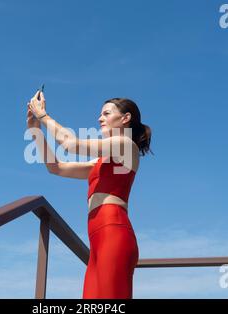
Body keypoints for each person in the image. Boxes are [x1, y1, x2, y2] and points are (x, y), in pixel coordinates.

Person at [26, 90, 153, 299]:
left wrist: (43, 115)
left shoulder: (125, 144)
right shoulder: (102, 162)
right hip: (97, 240)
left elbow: (71, 144)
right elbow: (55, 167)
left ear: (125, 118)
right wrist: (35, 131)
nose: (99, 118)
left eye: (106, 113)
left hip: (114, 233)